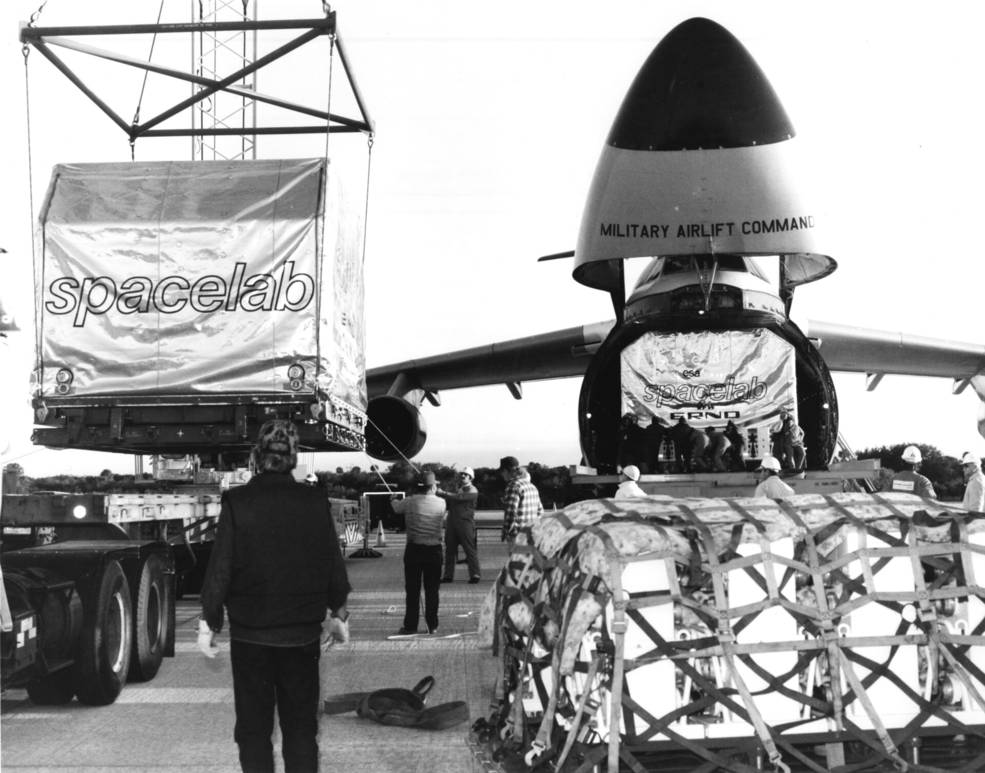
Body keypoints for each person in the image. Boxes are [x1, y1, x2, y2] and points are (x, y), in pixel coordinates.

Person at [198, 419, 351, 773]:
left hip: (251, 638)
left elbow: (221, 567)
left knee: (253, 731)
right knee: (301, 731)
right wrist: (339, 616)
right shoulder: (314, 501)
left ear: (256, 457)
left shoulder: (237, 501)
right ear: (294, 458)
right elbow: (332, 562)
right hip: (300, 638)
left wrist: (209, 622)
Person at [391, 471, 447, 634]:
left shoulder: (409, 502)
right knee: (432, 591)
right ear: (433, 486)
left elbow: (396, 508)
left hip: (414, 549)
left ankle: (410, 626)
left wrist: (393, 498)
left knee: (413, 591)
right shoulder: (442, 503)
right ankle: (432, 625)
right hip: (434, 550)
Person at [437, 466, 481, 584]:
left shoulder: (473, 490)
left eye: (465, 475)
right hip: (452, 522)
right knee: (449, 550)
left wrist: (443, 493)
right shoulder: (458, 489)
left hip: (465, 523)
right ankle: (448, 575)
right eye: (461, 474)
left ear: (471, 477)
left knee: (469, 550)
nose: (462, 476)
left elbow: (460, 498)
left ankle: (475, 574)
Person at [499, 455, 544, 543]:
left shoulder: (513, 486)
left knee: (516, 556)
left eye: (502, 472)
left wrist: (505, 532)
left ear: (505, 471)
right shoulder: (532, 486)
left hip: (517, 535)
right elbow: (540, 512)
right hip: (532, 534)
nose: (502, 475)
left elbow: (511, 512)